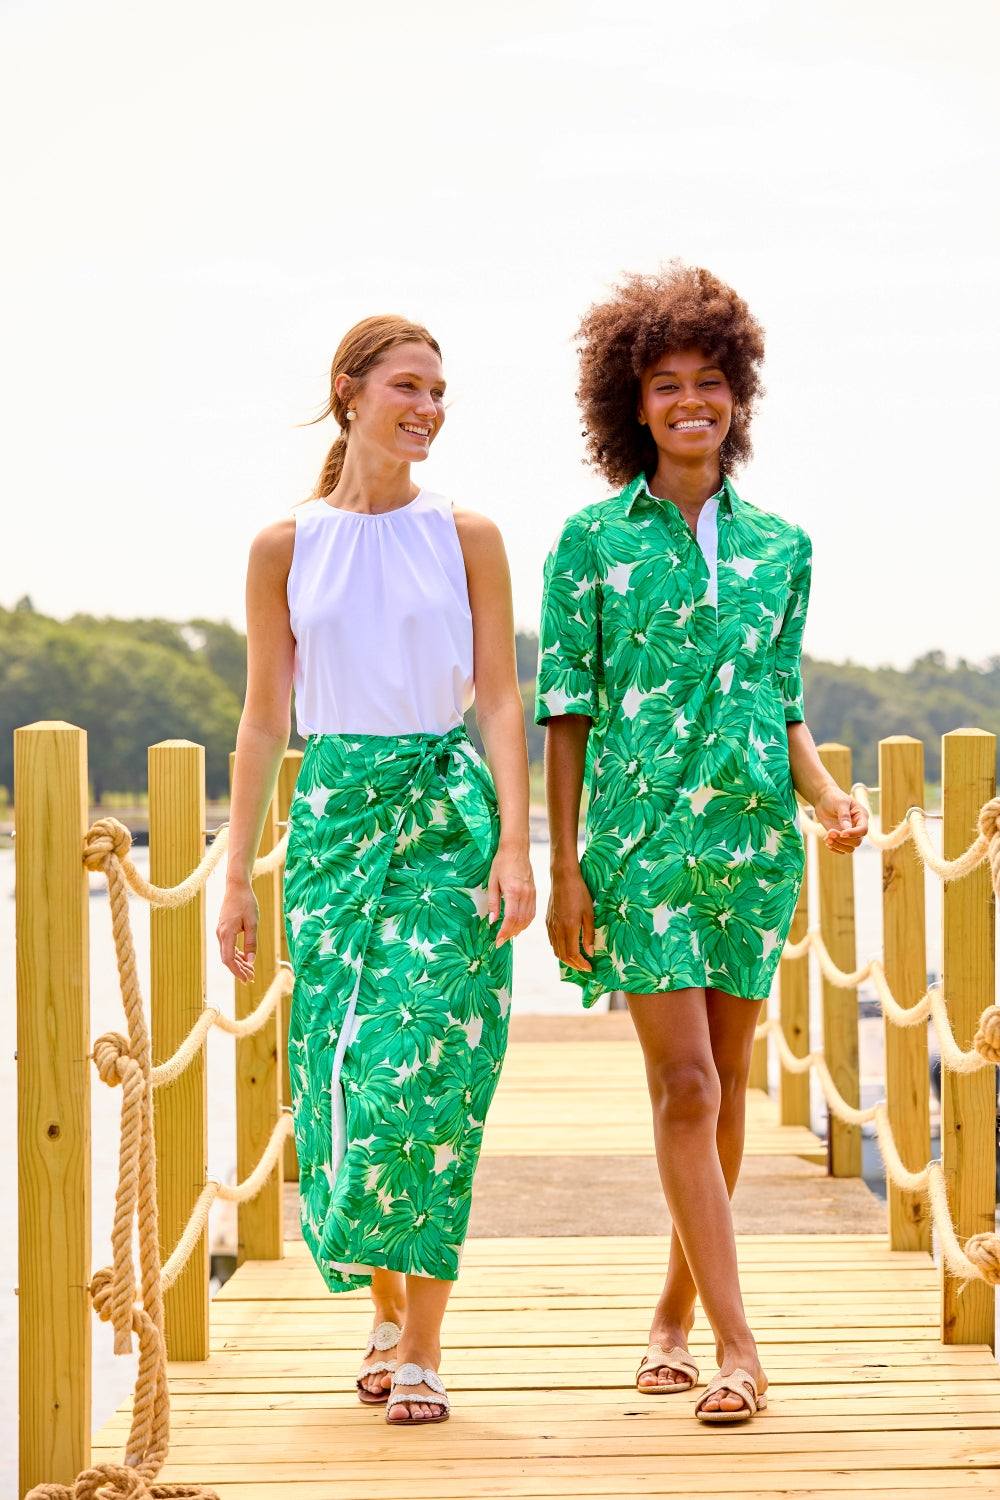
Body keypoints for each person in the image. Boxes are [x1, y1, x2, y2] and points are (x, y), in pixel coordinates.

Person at [537, 265, 866, 1423]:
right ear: (631, 403)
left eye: (710, 382)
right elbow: (566, 712)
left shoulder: (784, 547)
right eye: (666, 384)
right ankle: (741, 1346)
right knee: (681, 1084)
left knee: (724, 1092)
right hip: (636, 848)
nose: (690, 401)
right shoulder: (588, 543)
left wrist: (825, 792)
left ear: (738, 397)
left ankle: (671, 1316)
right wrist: (566, 858)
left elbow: (776, 704)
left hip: (749, 848)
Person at [218, 314, 535, 1426]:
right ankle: (384, 1312)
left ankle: (425, 1345)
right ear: (349, 392)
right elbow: (263, 721)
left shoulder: (469, 534)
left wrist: (514, 840)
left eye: (440, 391)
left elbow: (501, 696)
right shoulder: (283, 545)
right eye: (408, 386)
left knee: (425, 1077)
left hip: (448, 820)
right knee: (341, 1076)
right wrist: (235, 873)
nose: (428, 408)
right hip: (333, 826)